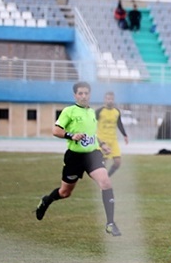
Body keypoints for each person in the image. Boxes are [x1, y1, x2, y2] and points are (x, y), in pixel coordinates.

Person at [35, 81, 121, 236]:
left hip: (92, 154)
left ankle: (110, 223)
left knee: (106, 182)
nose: (83, 96)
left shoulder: (91, 112)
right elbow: (55, 130)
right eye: (80, 93)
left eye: (86, 93)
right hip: (74, 157)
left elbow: (93, 133)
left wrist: (102, 144)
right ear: (75, 95)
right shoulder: (69, 111)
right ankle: (46, 200)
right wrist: (71, 135)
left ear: (90, 94)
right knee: (65, 192)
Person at [95, 91, 129, 177]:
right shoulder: (99, 111)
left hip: (113, 141)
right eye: (108, 99)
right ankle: (102, 180)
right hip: (102, 141)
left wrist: (125, 135)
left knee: (117, 162)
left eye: (112, 99)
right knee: (103, 163)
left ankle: (107, 177)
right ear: (104, 99)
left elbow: (119, 123)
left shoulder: (116, 111)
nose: (110, 101)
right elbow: (92, 124)